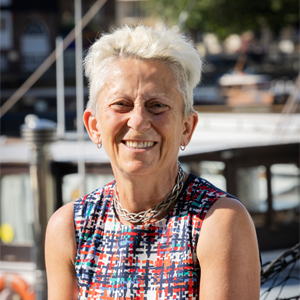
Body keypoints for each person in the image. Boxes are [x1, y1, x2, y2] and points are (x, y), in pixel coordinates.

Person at [45, 25, 261, 300]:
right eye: (121, 104)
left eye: (157, 105)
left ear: (186, 127)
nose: (138, 121)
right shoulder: (70, 227)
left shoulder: (218, 222)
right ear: (94, 126)